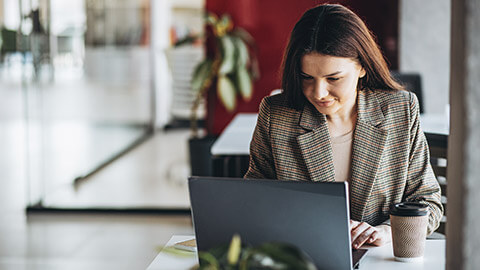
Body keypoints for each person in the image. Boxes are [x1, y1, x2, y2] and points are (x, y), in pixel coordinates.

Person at [244, 4, 443, 250]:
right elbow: (254, 201)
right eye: (307, 77)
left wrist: (387, 231)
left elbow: (428, 202)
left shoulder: (400, 110)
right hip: (304, 256)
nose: (318, 93)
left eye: (333, 78)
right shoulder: (276, 115)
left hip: (378, 259)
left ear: (361, 67)